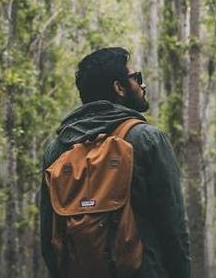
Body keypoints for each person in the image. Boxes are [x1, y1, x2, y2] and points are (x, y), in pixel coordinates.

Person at [40, 47, 191, 278]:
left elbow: (49, 240)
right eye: (136, 78)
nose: (143, 85)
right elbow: (173, 231)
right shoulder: (147, 140)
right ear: (119, 88)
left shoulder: (57, 150)